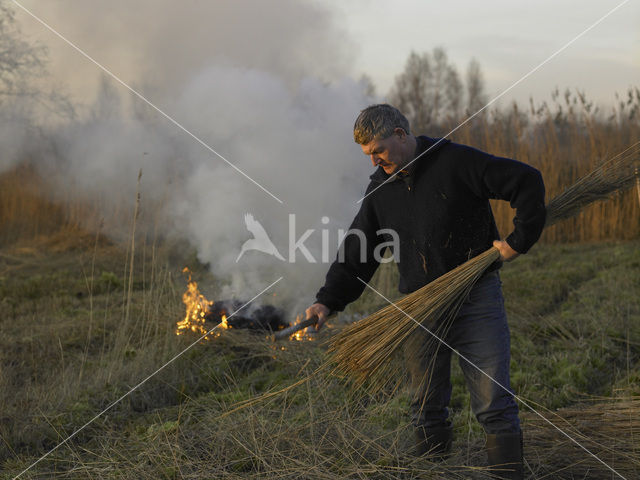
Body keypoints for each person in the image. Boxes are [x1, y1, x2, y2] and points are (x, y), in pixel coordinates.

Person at [305, 104, 546, 479]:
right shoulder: (381, 189)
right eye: (367, 155)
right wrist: (326, 300)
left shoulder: (456, 162)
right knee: (425, 405)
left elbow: (527, 180)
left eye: (378, 150)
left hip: (475, 297)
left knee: (493, 401)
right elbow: (358, 252)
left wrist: (518, 241)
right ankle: (434, 472)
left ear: (401, 135)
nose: (373, 162)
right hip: (418, 306)